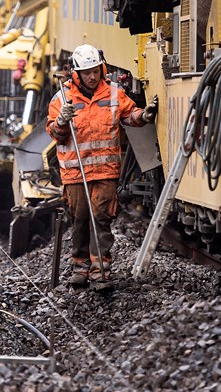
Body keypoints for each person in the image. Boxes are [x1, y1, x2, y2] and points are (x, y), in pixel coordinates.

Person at [46, 44, 158, 291]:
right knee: (79, 219)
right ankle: (80, 268)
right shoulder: (62, 99)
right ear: (76, 74)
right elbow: (55, 133)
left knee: (101, 219)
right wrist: (62, 121)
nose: (92, 76)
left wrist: (145, 116)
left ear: (101, 68)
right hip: (76, 173)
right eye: (87, 72)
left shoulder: (114, 94)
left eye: (96, 71)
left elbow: (130, 115)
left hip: (106, 171)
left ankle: (101, 272)